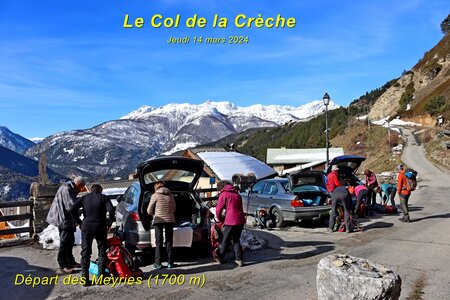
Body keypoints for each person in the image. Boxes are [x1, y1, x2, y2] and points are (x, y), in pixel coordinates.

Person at [70, 184, 114, 286]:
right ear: (100, 190)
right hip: (100, 226)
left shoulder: (84, 198)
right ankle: (101, 278)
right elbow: (111, 210)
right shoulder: (104, 198)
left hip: (86, 227)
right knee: (102, 252)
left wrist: (79, 222)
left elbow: (72, 209)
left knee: (85, 252)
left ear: (91, 189)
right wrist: (109, 223)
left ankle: (84, 279)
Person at [46, 176, 86, 275]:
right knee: (65, 241)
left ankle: (70, 261)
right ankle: (63, 264)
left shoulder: (71, 188)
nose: (80, 190)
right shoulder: (66, 189)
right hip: (63, 218)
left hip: (68, 219)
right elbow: (71, 206)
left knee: (70, 240)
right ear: (77, 184)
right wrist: (83, 206)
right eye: (80, 187)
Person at [215, 180, 246, 267]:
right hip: (240, 220)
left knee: (225, 240)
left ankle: (221, 257)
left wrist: (220, 219)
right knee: (236, 239)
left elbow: (218, 209)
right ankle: (239, 259)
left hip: (230, 220)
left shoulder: (224, 194)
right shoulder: (237, 194)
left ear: (221, 187)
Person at [147, 181, 176, 269]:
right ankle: (170, 262)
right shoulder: (170, 195)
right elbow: (174, 208)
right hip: (170, 220)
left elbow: (149, 210)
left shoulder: (155, 195)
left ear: (156, 187)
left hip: (158, 220)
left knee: (158, 242)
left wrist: (154, 214)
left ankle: (158, 263)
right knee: (169, 241)